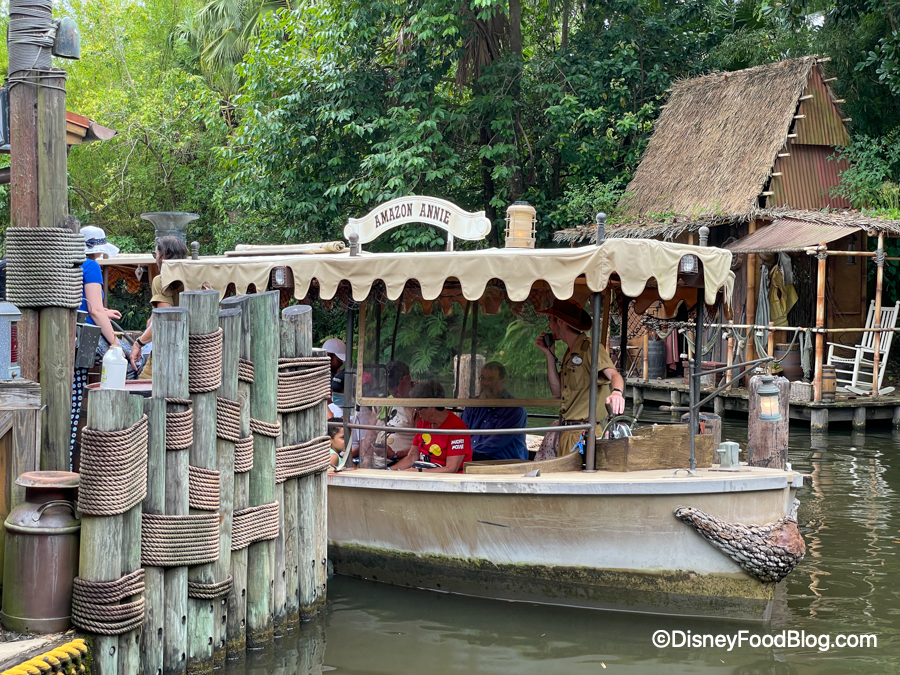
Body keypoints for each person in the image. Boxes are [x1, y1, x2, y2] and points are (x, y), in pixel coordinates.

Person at [71, 226, 142, 461]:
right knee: (133, 362)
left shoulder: (71, 264)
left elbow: (87, 305)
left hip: (74, 331)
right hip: (86, 334)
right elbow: (94, 310)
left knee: (73, 399)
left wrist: (104, 312)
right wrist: (115, 343)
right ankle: (122, 423)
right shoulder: (90, 266)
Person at [535, 298, 625, 457]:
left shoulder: (589, 348)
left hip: (584, 433)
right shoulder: (569, 354)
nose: (549, 326)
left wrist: (617, 392)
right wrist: (549, 355)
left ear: (560, 322)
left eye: (550, 320)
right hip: (567, 432)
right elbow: (556, 392)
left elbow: (614, 374)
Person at [128, 236, 190, 373]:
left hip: (169, 351)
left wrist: (138, 343)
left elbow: (165, 321)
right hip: (197, 350)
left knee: (143, 381)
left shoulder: (162, 280)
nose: (155, 259)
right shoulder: (194, 277)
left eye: (155, 254)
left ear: (164, 256)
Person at [392, 380, 472, 473]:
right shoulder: (423, 423)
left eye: (418, 409)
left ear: (431, 407)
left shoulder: (457, 428)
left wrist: (419, 472)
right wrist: (389, 470)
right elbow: (412, 457)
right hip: (422, 472)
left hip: (443, 478)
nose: (417, 413)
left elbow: (451, 468)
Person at [462, 362, 527, 461]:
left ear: (502, 381)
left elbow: (494, 444)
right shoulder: (473, 405)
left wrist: (466, 452)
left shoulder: (514, 409)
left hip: (504, 462)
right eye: (483, 378)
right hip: (474, 456)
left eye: (491, 379)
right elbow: (461, 431)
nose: (485, 383)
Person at [373, 360, 417, 462]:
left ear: (407, 379)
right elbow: (369, 435)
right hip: (376, 461)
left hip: (397, 462)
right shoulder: (385, 403)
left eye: (394, 385)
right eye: (389, 386)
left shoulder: (418, 408)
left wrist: (395, 454)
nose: (392, 390)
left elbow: (421, 446)